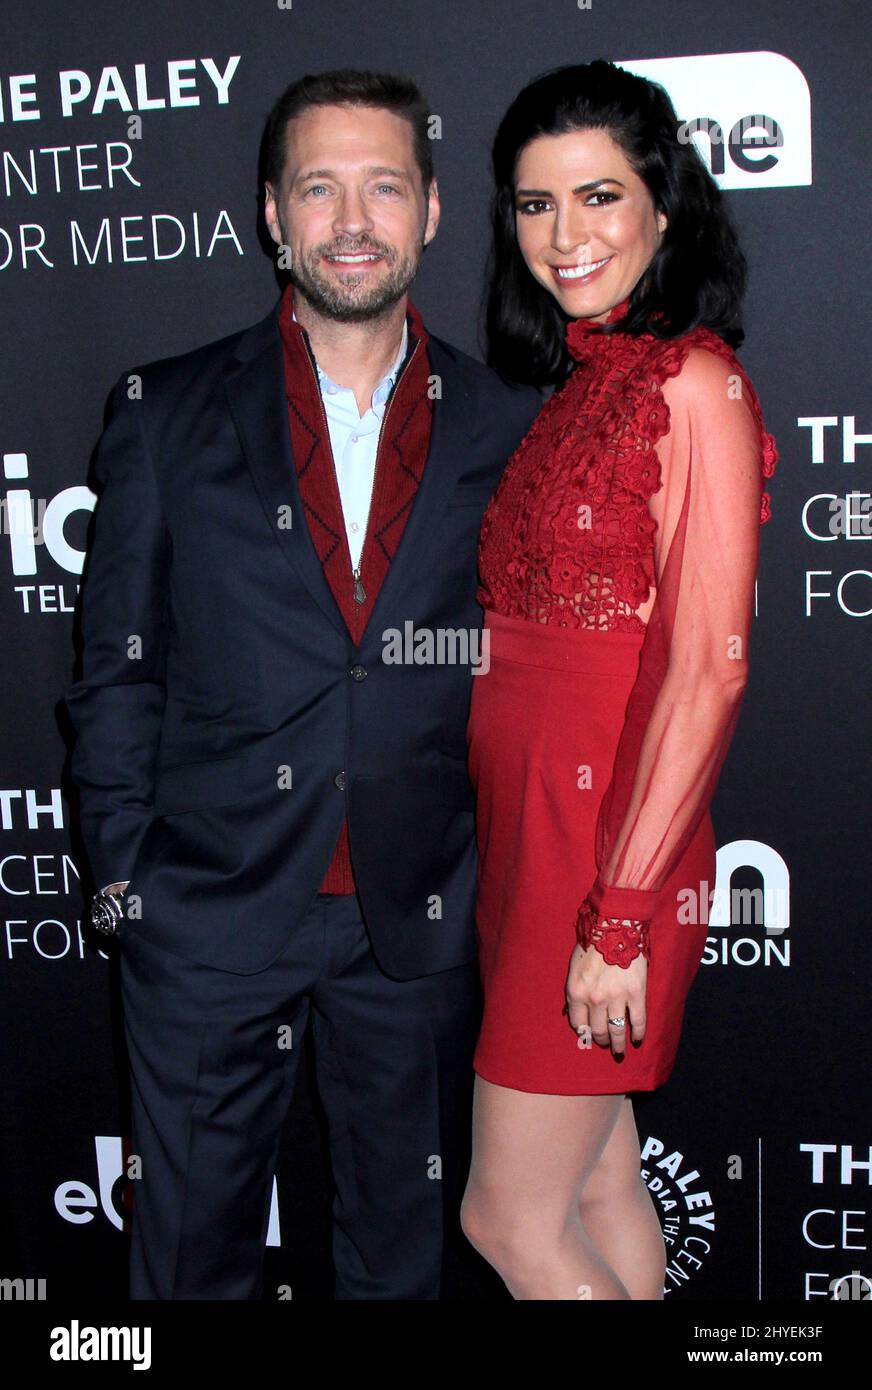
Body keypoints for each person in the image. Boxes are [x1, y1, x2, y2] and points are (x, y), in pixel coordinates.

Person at [64, 68, 541, 1300]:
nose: (350, 219)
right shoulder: (163, 415)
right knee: (186, 1260)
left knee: (404, 1260)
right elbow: (118, 671)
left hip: (416, 920)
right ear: (271, 214)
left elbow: (515, 665)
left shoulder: (504, 423)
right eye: (317, 187)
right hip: (211, 910)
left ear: (431, 210)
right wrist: (127, 880)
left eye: (383, 185)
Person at [459, 60, 778, 1300]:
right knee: (594, 1184)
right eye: (534, 206)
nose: (565, 235)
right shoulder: (582, 384)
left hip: (604, 845)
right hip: (528, 830)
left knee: (507, 1220)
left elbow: (704, 668)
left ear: (662, 205)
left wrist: (620, 913)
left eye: (596, 196)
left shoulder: (693, 383)